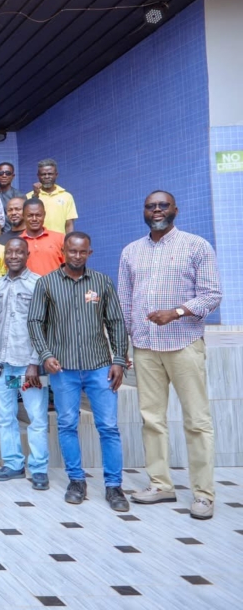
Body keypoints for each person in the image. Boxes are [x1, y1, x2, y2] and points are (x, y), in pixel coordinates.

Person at [118, 192, 222, 519]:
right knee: (152, 419)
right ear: (144, 211)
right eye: (151, 206)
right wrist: (123, 348)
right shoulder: (130, 251)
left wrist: (176, 312)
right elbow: (124, 303)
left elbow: (212, 295)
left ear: (175, 209)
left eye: (163, 205)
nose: (157, 210)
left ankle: (203, 494)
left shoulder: (196, 246)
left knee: (197, 421)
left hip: (184, 343)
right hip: (145, 346)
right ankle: (160, 484)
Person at [28, 232, 129, 512]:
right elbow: (35, 322)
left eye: (82, 251)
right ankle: (76, 481)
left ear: (89, 253)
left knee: (108, 427)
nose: (77, 256)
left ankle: (114, 486)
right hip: (63, 369)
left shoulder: (102, 282)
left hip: (100, 367)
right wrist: (45, 355)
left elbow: (116, 322)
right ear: (63, 252)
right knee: (67, 425)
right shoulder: (46, 284)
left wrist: (119, 360)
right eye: (72, 251)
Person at [0, 238, 49, 490]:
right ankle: (13, 464)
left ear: (27, 254)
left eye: (19, 252)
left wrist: (34, 363)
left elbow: (44, 327)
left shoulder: (38, 284)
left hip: (28, 367)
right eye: (10, 252)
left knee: (36, 417)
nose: (14, 256)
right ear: (4, 256)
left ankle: (39, 469)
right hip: (3, 366)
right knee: (5, 417)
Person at [29, 158, 77, 234]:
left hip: (60, 240)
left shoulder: (66, 196)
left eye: (50, 174)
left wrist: (69, 240)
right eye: (43, 174)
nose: (47, 176)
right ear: (38, 176)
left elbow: (69, 224)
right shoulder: (29, 196)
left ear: (56, 175)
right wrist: (35, 196)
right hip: (37, 240)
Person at [21, 198, 65, 276]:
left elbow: (69, 268)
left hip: (55, 283)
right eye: (30, 215)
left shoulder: (61, 239)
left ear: (44, 215)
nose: (34, 219)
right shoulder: (17, 242)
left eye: (38, 215)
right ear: (23, 216)